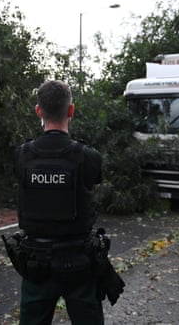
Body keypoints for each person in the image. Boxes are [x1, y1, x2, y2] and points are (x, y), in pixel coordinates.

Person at [13, 80, 105, 325]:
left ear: (38, 111)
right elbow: (91, 188)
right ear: (71, 110)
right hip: (79, 265)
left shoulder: (22, 156)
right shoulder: (89, 157)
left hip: (36, 265)